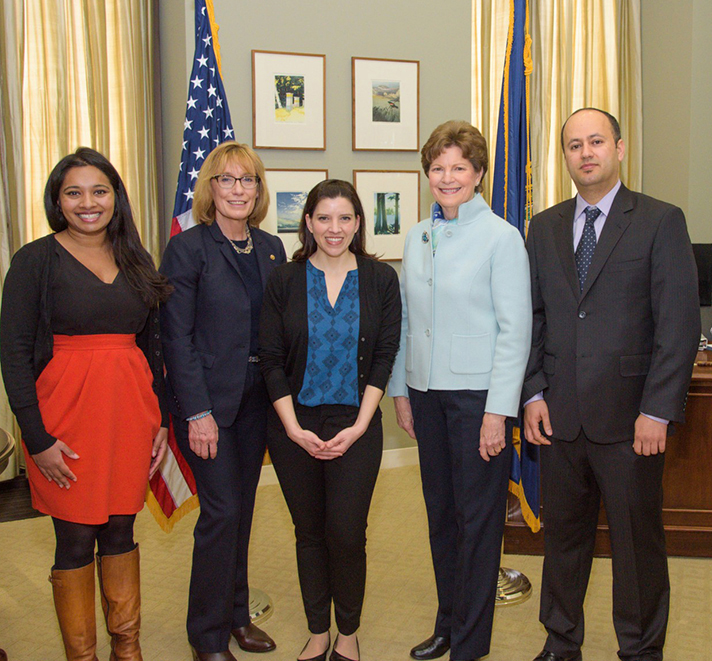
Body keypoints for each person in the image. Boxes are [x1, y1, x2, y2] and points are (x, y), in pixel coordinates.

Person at [523, 108, 700, 661]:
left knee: (636, 545)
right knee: (563, 541)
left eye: (596, 141)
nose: (586, 153)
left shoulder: (660, 220)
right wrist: (533, 393)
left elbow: (678, 325)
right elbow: (533, 317)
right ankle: (560, 642)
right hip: (559, 417)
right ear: (565, 156)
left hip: (631, 421)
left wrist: (658, 410)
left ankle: (641, 649)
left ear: (619, 148)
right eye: (574, 145)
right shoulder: (543, 227)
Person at [0, 147, 172, 661]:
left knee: (121, 528)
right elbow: (13, 355)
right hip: (64, 420)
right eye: (73, 192)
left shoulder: (136, 259)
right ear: (57, 201)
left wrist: (162, 421)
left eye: (99, 191)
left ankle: (127, 649)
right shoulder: (34, 260)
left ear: (116, 198)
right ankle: (82, 656)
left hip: (130, 414)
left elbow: (153, 348)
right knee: (75, 536)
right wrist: (37, 440)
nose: (88, 202)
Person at [389, 120, 532, 661]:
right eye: (437, 167)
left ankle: (470, 644)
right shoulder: (416, 236)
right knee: (441, 515)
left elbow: (515, 331)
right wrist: (402, 391)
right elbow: (406, 320)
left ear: (478, 174)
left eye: (459, 168)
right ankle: (447, 624)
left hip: (478, 400)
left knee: (477, 523)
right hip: (425, 394)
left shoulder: (502, 237)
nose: (447, 177)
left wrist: (498, 412)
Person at [259, 180, 401, 661]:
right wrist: (292, 428)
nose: (333, 228)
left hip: (356, 423)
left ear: (358, 223)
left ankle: (348, 632)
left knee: (346, 533)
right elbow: (270, 359)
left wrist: (359, 426)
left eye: (344, 218)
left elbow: (384, 357)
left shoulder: (381, 279)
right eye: (323, 218)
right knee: (309, 533)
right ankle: (318, 630)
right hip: (292, 424)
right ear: (308, 223)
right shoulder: (284, 279)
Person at [160, 141, 283, 661]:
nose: (238, 189)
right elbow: (176, 338)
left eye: (247, 179)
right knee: (221, 512)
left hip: (258, 400)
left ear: (258, 189)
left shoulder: (271, 247)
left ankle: (237, 616)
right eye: (227, 179)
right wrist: (197, 412)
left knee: (243, 510)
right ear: (210, 188)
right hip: (208, 403)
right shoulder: (188, 249)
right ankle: (206, 636)